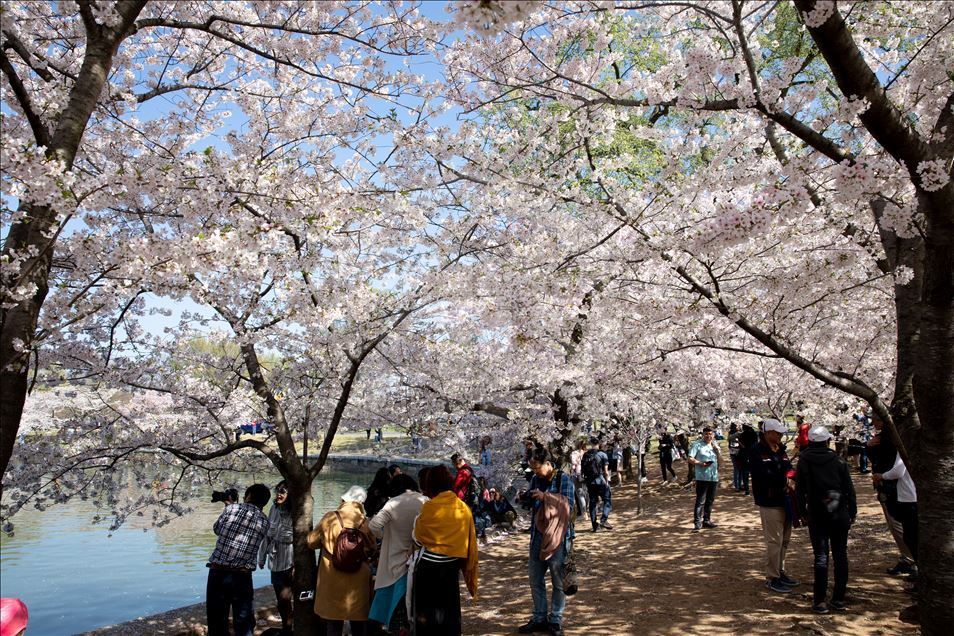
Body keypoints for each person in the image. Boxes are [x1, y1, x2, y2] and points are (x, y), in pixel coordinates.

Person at [411, 464, 479, 636]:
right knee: (450, 613)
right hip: (451, 567)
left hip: (428, 568)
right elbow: (468, 538)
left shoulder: (429, 507)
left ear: (431, 484)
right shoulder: (463, 508)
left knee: (427, 616)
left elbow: (418, 537)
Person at [796, 426, 857, 614]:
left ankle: (820, 601)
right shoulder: (838, 460)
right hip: (838, 511)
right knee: (840, 555)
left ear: (811, 442)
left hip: (816, 512)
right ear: (827, 441)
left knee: (821, 556)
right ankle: (838, 598)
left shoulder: (804, 460)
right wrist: (852, 511)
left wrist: (802, 512)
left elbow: (800, 490)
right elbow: (849, 488)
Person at [517, 447, 575, 636]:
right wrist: (526, 498)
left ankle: (556, 619)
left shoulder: (563, 479)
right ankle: (539, 617)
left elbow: (569, 507)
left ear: (548, 464)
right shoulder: (535, 479)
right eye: (532, 469)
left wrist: (546, 497)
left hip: (558, 538)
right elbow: (534, 507)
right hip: (537, 535)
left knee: (558, 582)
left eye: (537, 468)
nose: (535, 472)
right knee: (535, 579)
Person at [307, 486, 376, 636]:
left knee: (333, 624)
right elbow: (373, 548)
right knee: (359, 625)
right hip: (358, 580)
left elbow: (311, 542)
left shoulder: (331, 517)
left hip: (332, 577)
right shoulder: (365, 522)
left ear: (344, 499)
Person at [206, 484, 271, 636]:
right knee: (243, 623)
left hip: (218, 572)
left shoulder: (231, 510)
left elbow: (217, 530)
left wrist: (229, 506)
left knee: (216, 622)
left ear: (247, 495)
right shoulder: (265, 522)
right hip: (242, 575)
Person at [368, 474, 427, 633]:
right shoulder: (425, 501)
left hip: (394, 561)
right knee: (415, 607)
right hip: (419, 559)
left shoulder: (393, 502)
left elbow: (373, 525)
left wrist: (383, 536)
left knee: (395, 610)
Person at [749, 419, 798, 593]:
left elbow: (789, 467)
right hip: (769, 502)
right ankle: (772, 576)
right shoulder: (757, 451)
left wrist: (791, 477)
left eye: (781, 433)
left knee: (784, 540)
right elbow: (763, 474)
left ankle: (780, 570)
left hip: (785, 500)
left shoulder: (781, 450)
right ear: (767, 432)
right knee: (774, 541)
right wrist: (784, 480)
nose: (780, 435)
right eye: (776, 432)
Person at [867, 414, 916, 575]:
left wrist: (882, 476)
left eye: (875, 419)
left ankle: (910, 559)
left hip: (891, 487)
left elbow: (895, 467)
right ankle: (908, 557)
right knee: (900, 524)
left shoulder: (889, 439)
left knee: (898, 523)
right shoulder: (891, 436)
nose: (872, 422)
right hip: (892, 486)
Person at [874, 450, 918, 577]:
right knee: (911, 535)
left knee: (911, 537)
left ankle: (915, 566)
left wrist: (882, 476)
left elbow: (898, 471)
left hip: (908, 497)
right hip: (910, 495)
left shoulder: (903, 446)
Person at [258, 481, 294, 635]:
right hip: (275, 560)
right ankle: (286, 629)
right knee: (280, 598)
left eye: (283, 492)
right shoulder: (274, 508)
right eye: (278, 491)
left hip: (290, 560)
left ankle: (289, 628)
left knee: (288, 598)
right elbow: (267, 535)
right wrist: (261, 556)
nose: (279, 494)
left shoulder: (295, 512)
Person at [688, 427, 720, 531]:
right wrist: (700, 463)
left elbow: (722, 462)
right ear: (703, 434)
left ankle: (706, 520)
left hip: (713, 477)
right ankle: (697, 523)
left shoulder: (715, 445)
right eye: (706, 434)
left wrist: (718, 452)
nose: (708, 436)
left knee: (710, 500)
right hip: (702, 477)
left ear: (713, 435)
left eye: (710, 434)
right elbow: (690, 458)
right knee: (700, 500)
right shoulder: (697, 444)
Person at [581, 437, 612, 532]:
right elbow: (606, 471)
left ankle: (594, 525)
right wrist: (607, 482)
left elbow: (582, 470)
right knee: (607, 499)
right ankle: (604, 520)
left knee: (593, 503)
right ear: (598, 444)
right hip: (600, 480)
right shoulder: (602, 454)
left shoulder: (586, 455)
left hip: (589, 482)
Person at [727, 423, 742, 491]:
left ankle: (737, 485)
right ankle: (738, 485)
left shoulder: (730, 434)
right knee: (738, 469)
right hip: (738, 452)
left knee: (736, 469)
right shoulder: (737, 434)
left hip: (732, 452)